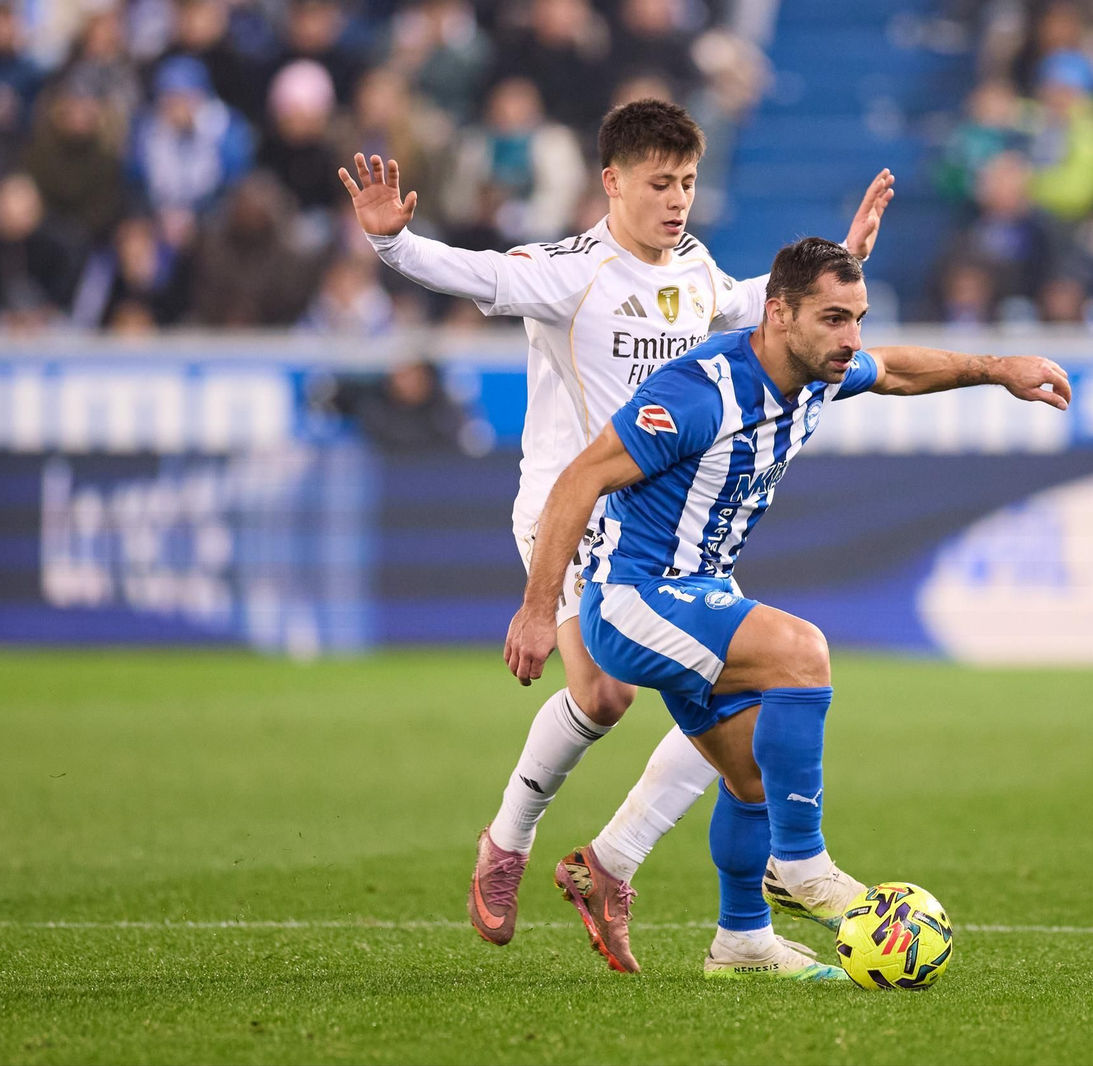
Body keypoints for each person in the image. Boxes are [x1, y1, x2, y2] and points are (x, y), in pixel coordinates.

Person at [338, 99, 895, 972]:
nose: (677, 200)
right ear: (613, 183)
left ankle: (625, 870)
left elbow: (763, 301)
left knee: (746, 707)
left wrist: (847, 260)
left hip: (655, 527)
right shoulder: (572, 272)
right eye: (660, 183)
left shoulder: (697, 270)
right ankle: (508, 842)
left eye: (688, 183)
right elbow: (478, 274)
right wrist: (392, 244)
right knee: (603, 697)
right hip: (569, 508)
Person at [503, 237, 1069, 978]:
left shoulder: (819, 370)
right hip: (633, 599)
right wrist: (539, 610)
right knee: (802, 651)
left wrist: (999, 371)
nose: (851, 339)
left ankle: (741, 939)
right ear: (778, 313)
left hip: (699, 593)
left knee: (759, 780)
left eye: (858, 318)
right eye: (834, 319)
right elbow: (577, 481)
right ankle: (802, 865)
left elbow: (895, 369)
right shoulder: (699, 392)